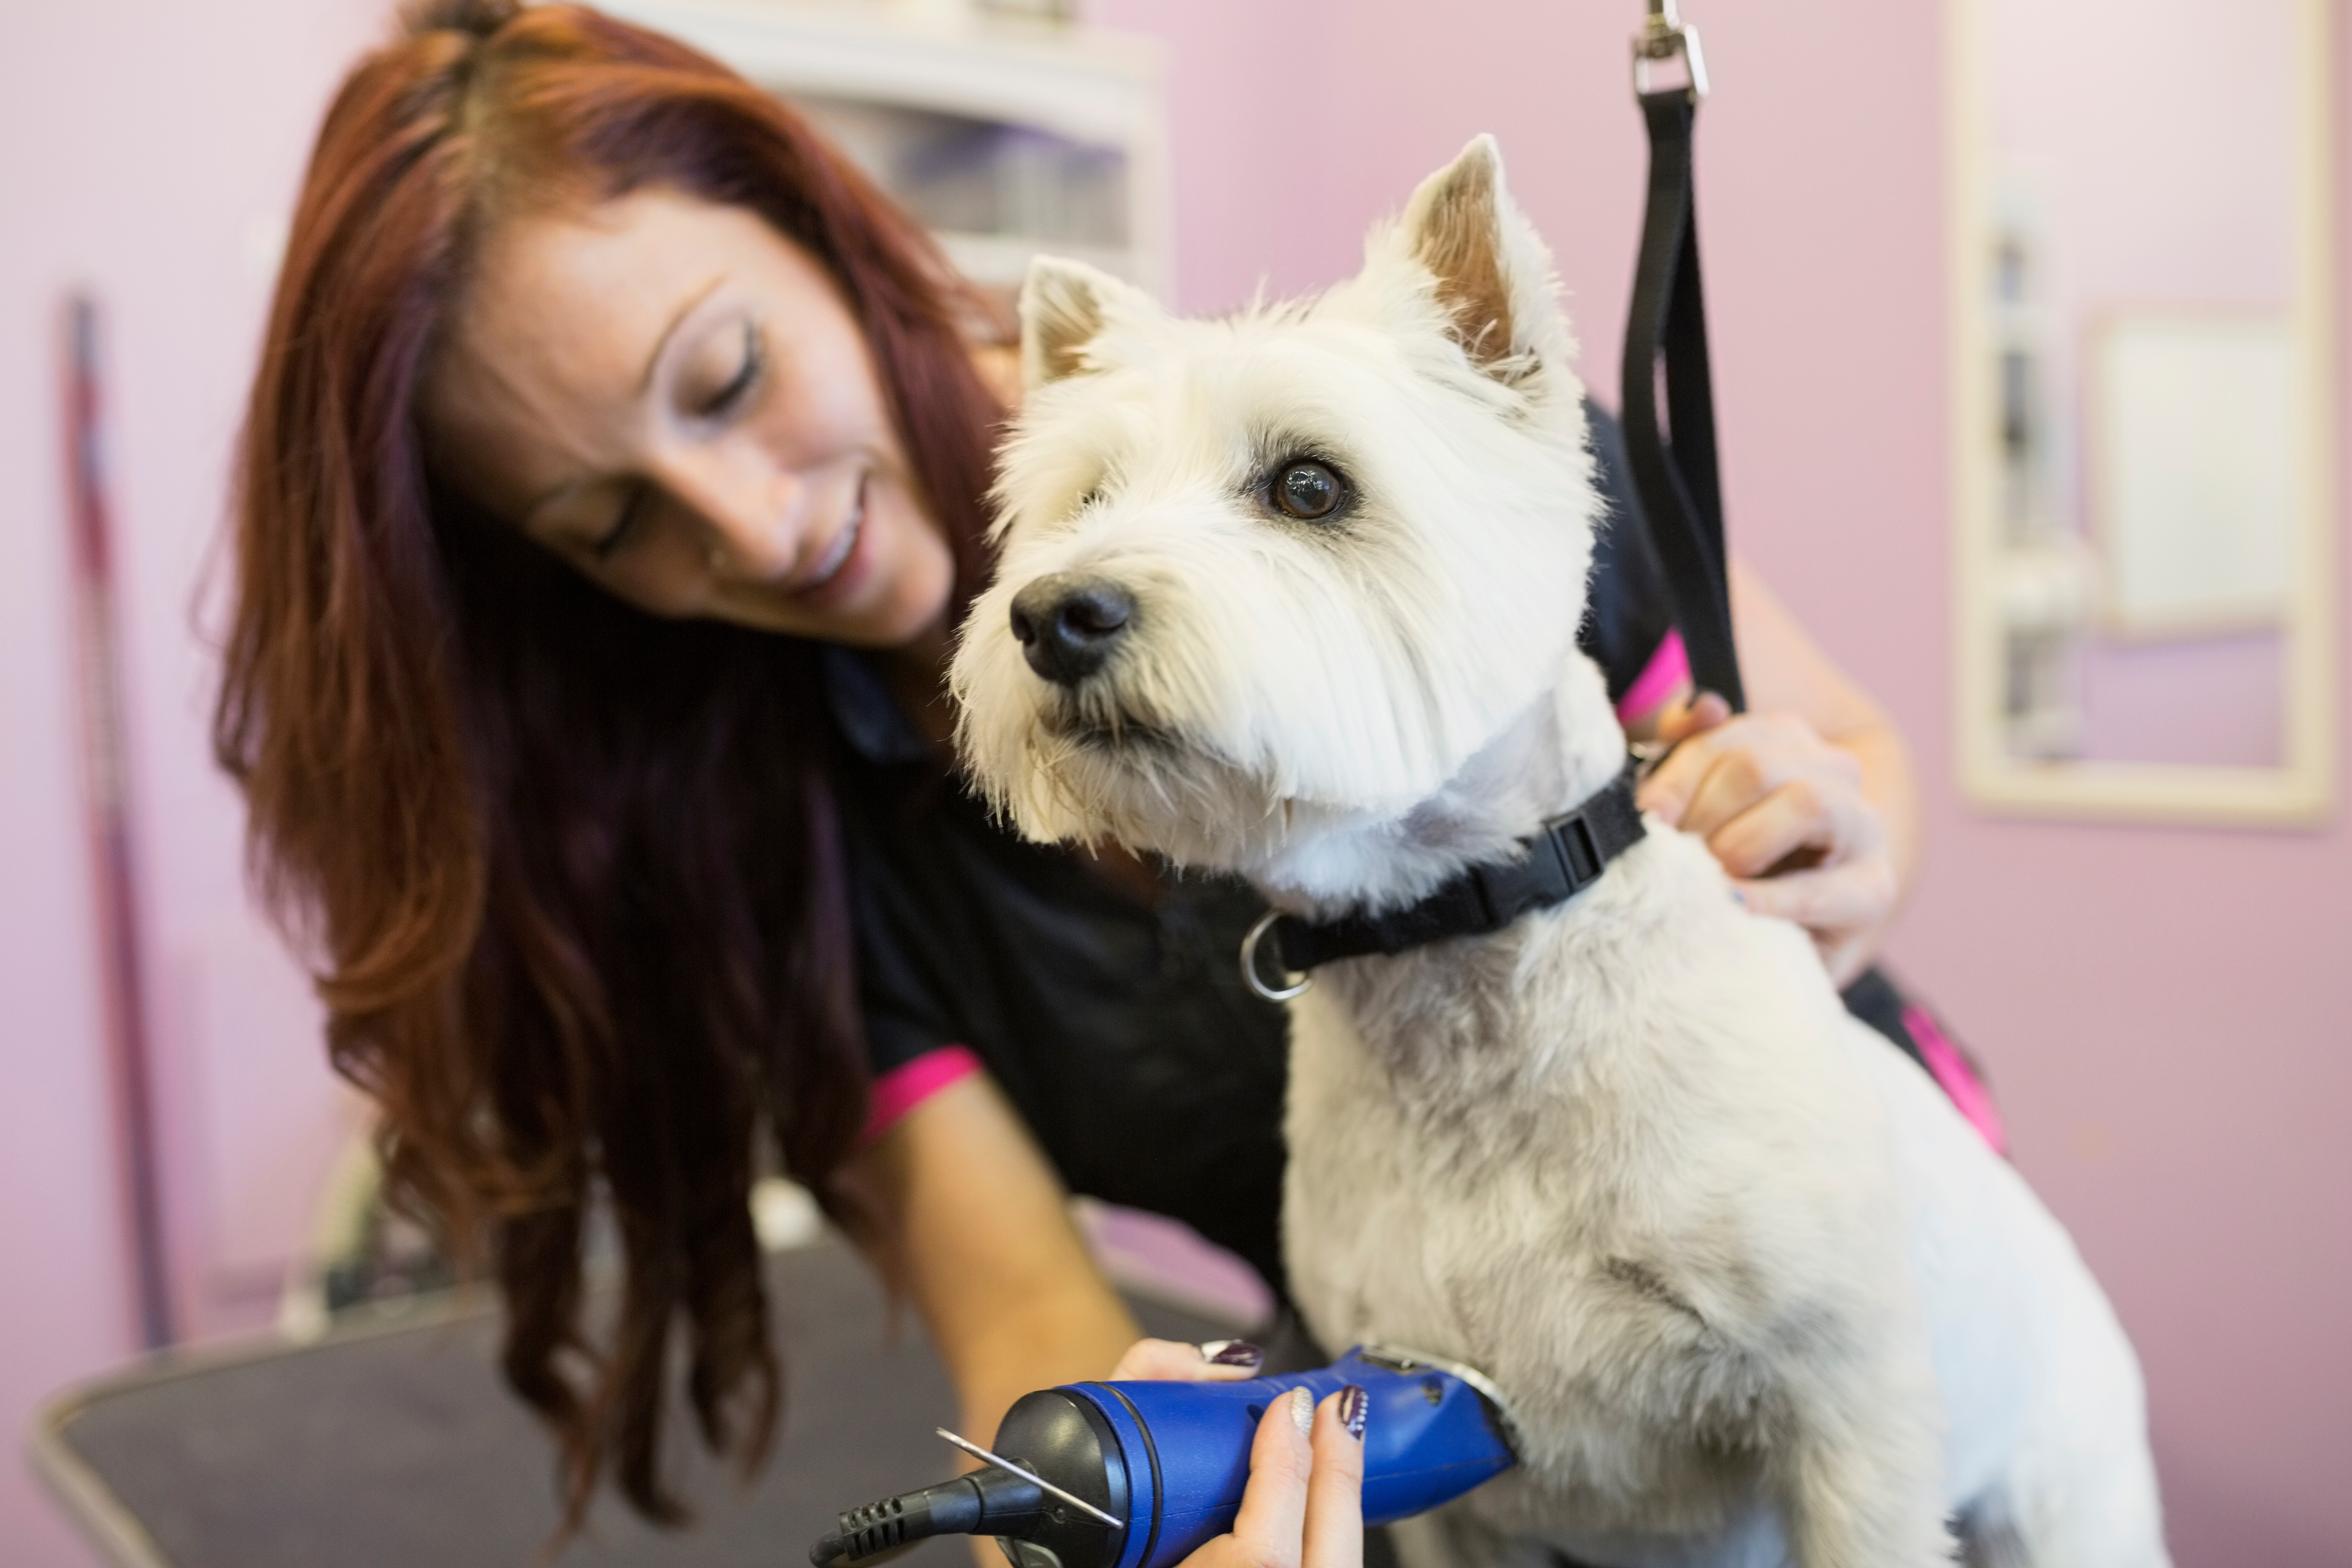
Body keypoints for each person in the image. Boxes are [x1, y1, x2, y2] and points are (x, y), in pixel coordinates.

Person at [215, 0, 1974, 1550]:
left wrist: (1827, 831)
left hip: (1868, 1298)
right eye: (615, 525)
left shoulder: (1414, 454)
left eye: (729, 375)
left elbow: (1838, 755)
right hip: (1488, 1446)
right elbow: (1038, 1339)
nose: (754, 526)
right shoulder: (816, 886)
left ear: (817, 223)